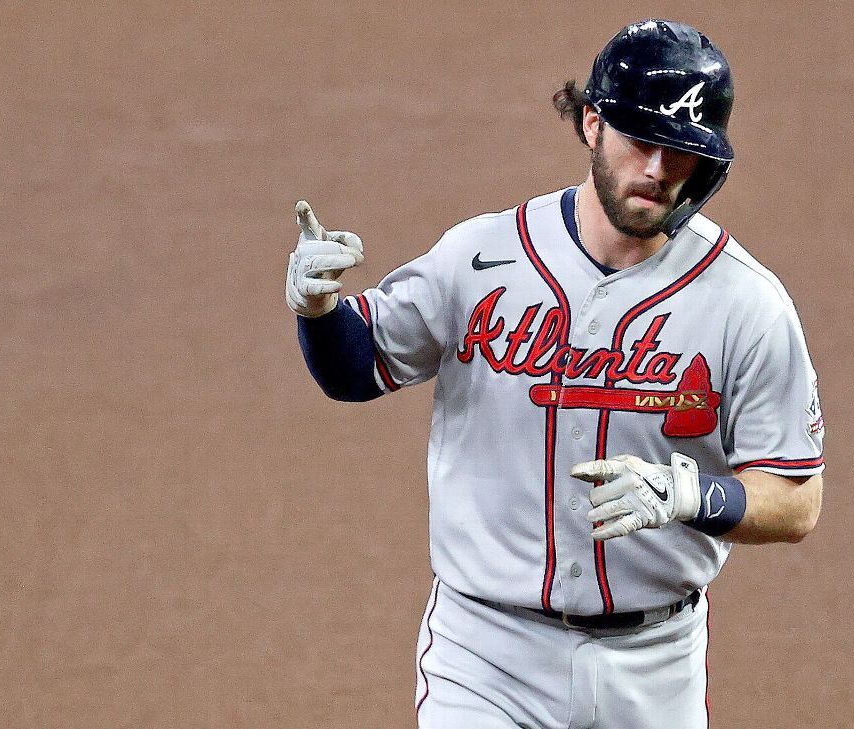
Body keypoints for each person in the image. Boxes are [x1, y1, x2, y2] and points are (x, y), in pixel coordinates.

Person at [285, 19, 825, 729]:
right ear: (592, 125)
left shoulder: (746, 304)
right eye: (642, 142)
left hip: (652, 664)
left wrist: (691, 492)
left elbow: (797, 500)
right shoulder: (481, 257)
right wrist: (319, 309)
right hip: (485, 654)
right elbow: (359, 367)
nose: (659, 171)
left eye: (682, 153)